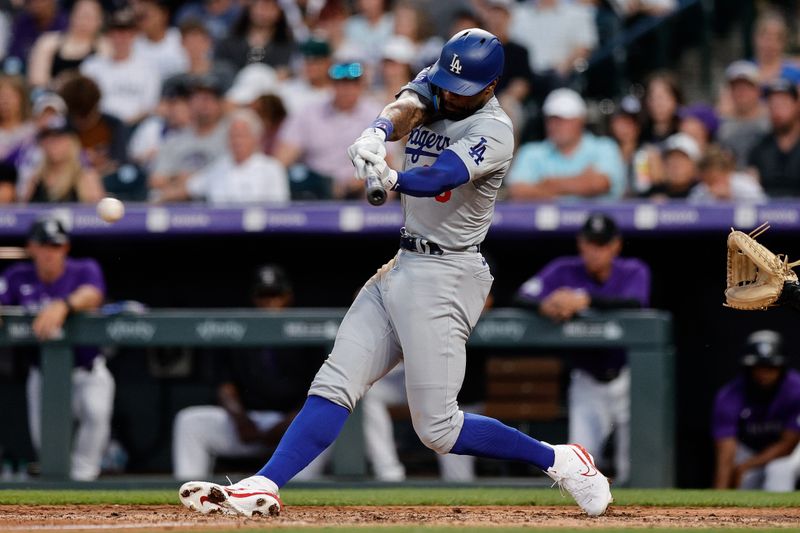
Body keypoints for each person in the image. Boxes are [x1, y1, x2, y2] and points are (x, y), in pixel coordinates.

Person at [179, 28, 612, 519]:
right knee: (334, 382)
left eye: (462, 90)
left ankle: (561, 460)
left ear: (489, 87)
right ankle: (265, 483)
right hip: (404, 263)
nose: (450, 94)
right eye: (447, 84)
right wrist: (376, 133)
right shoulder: (442, 81)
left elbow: (441, 175)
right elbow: (410, 103)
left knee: (439, 431)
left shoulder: (495, 129)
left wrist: (393, 177)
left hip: (449, 273)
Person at [513, 212, 650, 486]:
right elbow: (522, 295)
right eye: (590, 243)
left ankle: (636, 522)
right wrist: (547, 304)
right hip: (586, 381)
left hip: (627, 380)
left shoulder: (633, 270)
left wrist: (583, 300)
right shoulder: (563, 269)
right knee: (578, 468)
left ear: (615, 245)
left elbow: (635, 303)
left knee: (632, 465)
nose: (595, 250)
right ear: (581, 243)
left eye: (602, 244)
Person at [173, 265, 327, 480]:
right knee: (190, 421)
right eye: (264, 295)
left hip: (291, 424)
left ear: (288, 297)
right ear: (254, 298)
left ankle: (299, 492)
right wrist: (240, 419)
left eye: (275, 295)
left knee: (324, 422)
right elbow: (225, 386)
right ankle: (188, 492)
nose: (269, 302)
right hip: (248, 421)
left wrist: (291, 423)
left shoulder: (305, 331)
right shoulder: (239, 330)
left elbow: (322, 390)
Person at [0, 218, 112, 481]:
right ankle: (58, 497)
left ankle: (84, 480)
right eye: (44, 245)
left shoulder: (84, 268)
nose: (50, 252)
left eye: (56, 245)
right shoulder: (17, 276)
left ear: (65, 248)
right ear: (31, 247)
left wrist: (63, 306)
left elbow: (93, 293)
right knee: (48, 446)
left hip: (88, 370)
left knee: (96, 415)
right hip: (44, 373)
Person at [274, 60, 383, 200]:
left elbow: (386, 159)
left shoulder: (374, 114)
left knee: (380, 186)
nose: (346, 89)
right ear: (332, 85)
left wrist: (356, 183)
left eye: (352, 84)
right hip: (315, 187)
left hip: (357, 188)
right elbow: (283, 157)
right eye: (340, 83)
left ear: (361, 86)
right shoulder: (310, 112)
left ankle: (373, 220)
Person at [713, 330, 800, 491]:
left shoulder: (796, 389)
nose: (764, 373)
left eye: (771, 367)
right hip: (750, 449)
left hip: (792, 453)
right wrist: (720, 492)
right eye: (759, 367)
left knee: (779, 471)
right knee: (744, 483)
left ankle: (783, 516)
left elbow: (788, 445)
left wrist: (747, 465)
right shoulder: (730, 395)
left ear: (781, 367)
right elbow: (726, 451)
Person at [506, 88, 625, 200]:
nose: (555, 125)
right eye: (551, 119)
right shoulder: (531, 152)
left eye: (563, 120)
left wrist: (547, 184)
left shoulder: (605, 147)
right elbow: (517, 190)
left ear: (580, 121)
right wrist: (581, 181)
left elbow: (600, 184)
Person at [163, 108, 289, 204]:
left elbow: (278, 214)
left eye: (242, 135)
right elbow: (190, 187)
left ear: (255, 138)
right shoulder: (219, 167)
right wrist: (159, 198)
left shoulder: (271, 169)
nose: (237, 141)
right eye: (233, 135)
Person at [79, 8, 161, 125]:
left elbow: (150, 105)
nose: (121, 38)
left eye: (127, 32)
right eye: (116, 32)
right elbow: (86, 104)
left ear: (134, 35)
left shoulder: (149, 68)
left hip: (137, 126)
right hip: (101, 126)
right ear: (108, 35)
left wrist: (125, 126)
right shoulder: (91, 67)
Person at [26, 0, 108, 90]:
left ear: (100, 20)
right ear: (71, 16)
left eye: (89, 16)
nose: (84, 21)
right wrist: (59, 84)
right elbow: (37, 80)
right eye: (81, 15)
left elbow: (106, 80)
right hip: (53, 96)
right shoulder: (48, 42)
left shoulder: (104, 46)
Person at [23, 115, 104, 203]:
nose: (53, 143)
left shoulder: (85, 177)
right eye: (48, 138)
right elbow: (24, 211)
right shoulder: (36, 178)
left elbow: (94, 213)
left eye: (59, 138)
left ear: (71, 141)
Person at [747, 78, 800, 197]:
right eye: (772, 104)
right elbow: (752, 189)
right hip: (767, 211)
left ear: (796, 105)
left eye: (783, 103)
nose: (777, 110)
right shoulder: (759, 147)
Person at [717, 60, 770, 169]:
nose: (741, 92)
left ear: (758, 90)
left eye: (747, 87)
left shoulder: (773, 120)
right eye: (736, 87)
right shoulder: (721, 125)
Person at [688, 145, 766, 203]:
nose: (713, 185)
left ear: (727, 172)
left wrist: (730, 198)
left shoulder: (746, 185)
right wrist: (712, 198)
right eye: (708, 181)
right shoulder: (699, 192)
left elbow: (764, 211)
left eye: (715, 178)